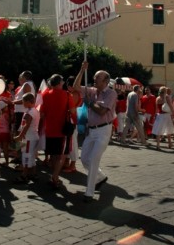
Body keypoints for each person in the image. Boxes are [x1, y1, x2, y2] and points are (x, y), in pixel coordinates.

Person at [73, 61, 117, 203]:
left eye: (97, 77)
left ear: (105, 81)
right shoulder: (92, 91)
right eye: (95, 77)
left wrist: (90, 103)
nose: (94, 79)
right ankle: (101, 177)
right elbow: (75, 87)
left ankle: (89, 192)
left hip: (104, 130)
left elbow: (102, 111)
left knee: (93, 161)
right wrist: (81, 70)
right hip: (91, 131)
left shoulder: (111, 93)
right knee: (84, 158)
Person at [40, 74, 76, 189]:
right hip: (63, 130)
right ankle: (55, 177)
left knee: (54, 155)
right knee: (63, 155)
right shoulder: (66, 95)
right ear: (60, 83)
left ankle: (54, 176)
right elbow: (73, 111)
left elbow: (42, 113)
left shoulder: (45, 94)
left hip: (49, 129)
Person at [13, 92, 40, 183]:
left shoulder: (31, 112)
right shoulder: (32, 110)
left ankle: (24, 176)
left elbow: (26, 125)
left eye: (23, 101)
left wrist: (20, 136)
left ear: (29, 101)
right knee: (31, 156)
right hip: (30, 137)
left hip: (29, 138)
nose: (22, 103)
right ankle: (33, 174)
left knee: (26, 156)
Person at [63, 76, 82, 173]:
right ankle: (67, 162)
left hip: (72, 120)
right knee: (69, 142)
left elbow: (71, 108)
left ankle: (73, 165)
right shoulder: (73, 93)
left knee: (73, 143)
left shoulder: (74, 94)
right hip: (71, 119)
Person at [0, 100, 12, 167]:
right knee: (5, 148)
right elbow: (10, 121)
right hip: (6, 133)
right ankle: (6, 162)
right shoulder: (6, 115)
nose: (7, 107)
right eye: (6, 106)